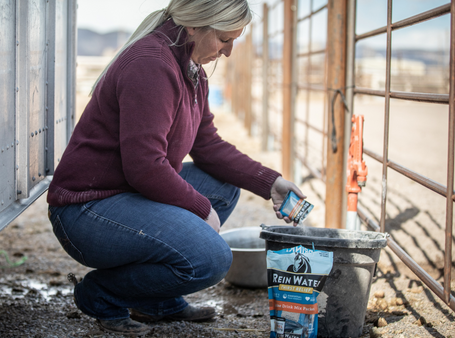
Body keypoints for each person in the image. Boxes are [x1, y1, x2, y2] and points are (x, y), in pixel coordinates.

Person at [47, 0, 305, 335]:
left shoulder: (192, 70)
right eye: (225, 39)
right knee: (211, 259)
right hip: (87, 211)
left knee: (222, 188)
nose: (228, 52)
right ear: (195, 26)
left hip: (126, 195)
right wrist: (199, 208)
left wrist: (271, 182)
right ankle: (102, 294)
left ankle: (155, 300)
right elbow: (144, 167)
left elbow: (208, 147)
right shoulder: (151, 65)